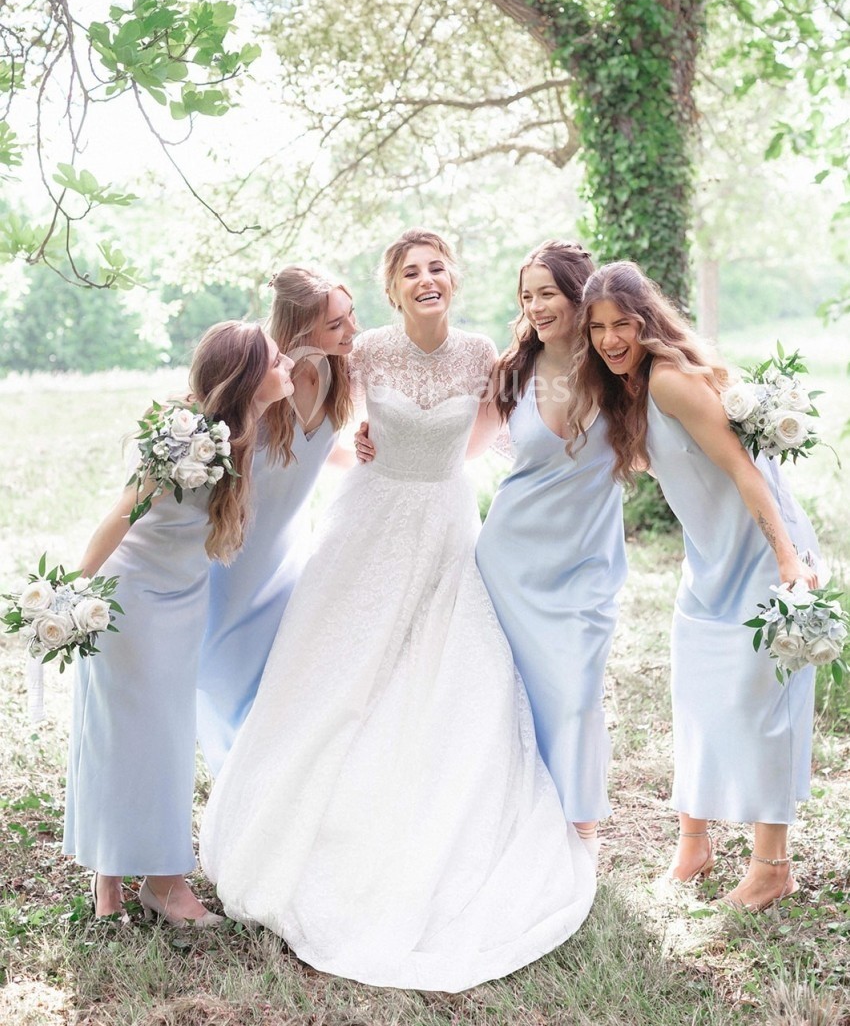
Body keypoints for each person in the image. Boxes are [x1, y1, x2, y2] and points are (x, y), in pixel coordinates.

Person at [200, 228, 595, 991]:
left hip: (445, 523)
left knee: (448, 670)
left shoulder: (484, 353)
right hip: (365, 525)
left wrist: (440, 459)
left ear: (455, 276)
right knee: (337, 669)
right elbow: (295, 385)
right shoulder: (367, 349)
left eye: (437, 267)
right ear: (392, 289)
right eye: (411, 271)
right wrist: (360, 447)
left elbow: (496, 427)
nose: (426, 279)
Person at [567, 261, 819, 911]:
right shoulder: (623, 394)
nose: (611, 339)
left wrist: (790, 564)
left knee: (761, 707)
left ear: (647, 321)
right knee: (699, 696)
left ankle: (771, 868)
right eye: (597, 328)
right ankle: (695, 844)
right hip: (709, 562)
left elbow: (745, 472)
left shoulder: (671, 382)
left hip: (764, 554)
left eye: (623, 323)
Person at [63, 322, 295, 923]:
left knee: (146, 735)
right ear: (248, 376)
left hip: (183, 597)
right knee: (140, 737)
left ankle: (114, 881)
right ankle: (159, 883)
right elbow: (123, 509)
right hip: (133, 598)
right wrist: (74, 591)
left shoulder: (246, 429)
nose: (289, 362)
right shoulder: (183, 432)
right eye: (277, 358)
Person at [475, 241, 626, 858]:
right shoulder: (511, 372)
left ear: (577, 294)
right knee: (516, 690)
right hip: (509, 559)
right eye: (527, 295)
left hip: (587, 561)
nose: (536, 306)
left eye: (548, 293)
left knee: (577, 688)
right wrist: (384, 449)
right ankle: (524, 818)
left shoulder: (619, 366)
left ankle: (581, 827)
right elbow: (460, 444)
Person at [197, 268, 359, 774]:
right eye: (337, 323)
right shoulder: (266, 380)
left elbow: (315, 448)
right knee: (225, 672)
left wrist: (369, 457)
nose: (352, 329)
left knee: (276, 677)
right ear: (302, 329)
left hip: (290, 553)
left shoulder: (342, 371)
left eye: (351, 314)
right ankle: (232, 777)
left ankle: (266, 779)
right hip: (235, 555)